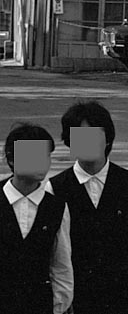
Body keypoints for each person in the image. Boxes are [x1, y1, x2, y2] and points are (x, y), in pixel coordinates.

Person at [48, 101, 128, 314]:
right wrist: (59, 299)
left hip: (126, 291)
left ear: (108, 139)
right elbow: (54, 251)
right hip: (79, 294)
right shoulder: (55, 188)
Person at [2, 122, 73, 314]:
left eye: (46, 156)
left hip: (39, 304)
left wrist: (57, 307)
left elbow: (61, 265)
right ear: (12, 159)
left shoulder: (56, 207)